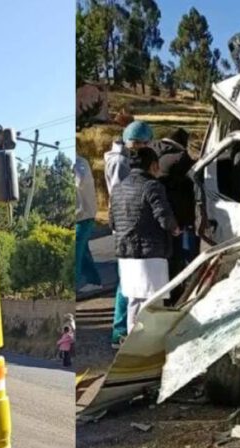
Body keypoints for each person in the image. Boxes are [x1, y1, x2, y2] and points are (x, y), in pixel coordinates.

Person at [110, 147, 180, 338]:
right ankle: (149, 344)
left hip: (125, 253)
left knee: (133, 300)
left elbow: (112, 221)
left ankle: (131, 341)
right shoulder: (152, 186)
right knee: (153, 302)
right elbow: (163, 216)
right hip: (150, 253)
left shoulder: (117, 188)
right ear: (154, 165)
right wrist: (175, 229)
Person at [104, 121, 154, 348]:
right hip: (127, 226)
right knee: (127, 281)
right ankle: (120, 329)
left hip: (125, 225)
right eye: (144, 143)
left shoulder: (119, 158)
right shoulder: (120, 162)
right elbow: (121, 194)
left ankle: (123, 327)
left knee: (128, 279)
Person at [153, 128, 198, 306]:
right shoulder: (179, 158)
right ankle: (175, 297)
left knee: (165, 260)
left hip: (157, 218)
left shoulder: (153, 152)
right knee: (176, 260)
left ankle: (167, 296)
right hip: (176, 219)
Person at [74, 155, 102, 293]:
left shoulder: (79, 162)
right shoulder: (80, 161)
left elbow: (80, 181)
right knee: (83, 252)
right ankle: (94, 281)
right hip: (80, 215)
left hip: (83, 215)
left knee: (76, 254)